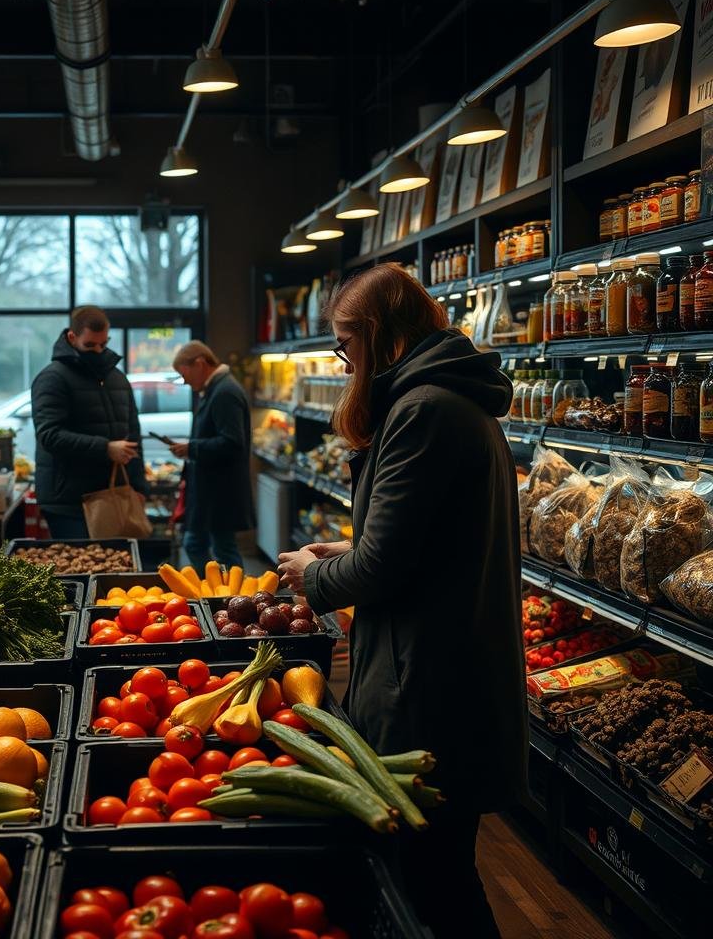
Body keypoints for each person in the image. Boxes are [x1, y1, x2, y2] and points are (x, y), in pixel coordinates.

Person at [276, 264, 526, 939]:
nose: (344, 362)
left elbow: (385, 564)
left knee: (435, 881)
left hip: (430, 688)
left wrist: (314, 574)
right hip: (446, 670)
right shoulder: (445, 401)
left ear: (381, 337)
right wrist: (344, 553)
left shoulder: (423, 410)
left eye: (345, 347)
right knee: (438, 870)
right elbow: (419, 545)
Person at [31, 306, 146, 539]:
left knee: (115, 569)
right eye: (90, 345)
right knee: (79, 570)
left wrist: (139, 486)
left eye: (103, 344)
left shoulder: (117, 378)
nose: (98, 350)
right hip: (68, 502)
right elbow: (49, 435)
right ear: (72, 337)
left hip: (113, 494)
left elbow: (133, 435)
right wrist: (105, 448)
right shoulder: (52, 378)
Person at [171, 341, 255, 572]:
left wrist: (191, 448)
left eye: (183, 374)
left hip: (219, 492)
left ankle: (227, 598)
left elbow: (232, 442)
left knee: (217, 549)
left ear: (199, 363)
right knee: (209, 546)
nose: (185, 381)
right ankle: (220, 595)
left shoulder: (224, 392)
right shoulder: (217, 389)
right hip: (214, 491)